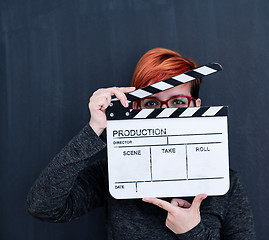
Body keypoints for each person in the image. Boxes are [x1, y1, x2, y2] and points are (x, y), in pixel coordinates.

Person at [27, 48, 256, 239]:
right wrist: (95, 128)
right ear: (136, 108)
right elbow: (43, 206)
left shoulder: (225, 183)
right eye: (152, 104)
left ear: (196, 105)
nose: (167, 113)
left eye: (178, 101)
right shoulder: (114, 172)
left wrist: (192, 232)